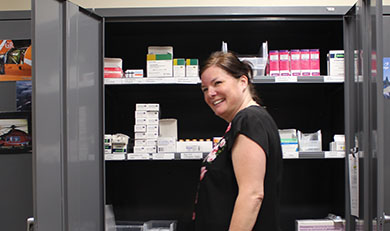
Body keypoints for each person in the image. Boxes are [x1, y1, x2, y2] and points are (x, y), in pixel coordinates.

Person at [194, 51, 283, 231]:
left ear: (243, 82)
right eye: (204, 89)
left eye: (217, 83)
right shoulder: (244, 121)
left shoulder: (250, 120)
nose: (210, 93)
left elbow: (252, 195)